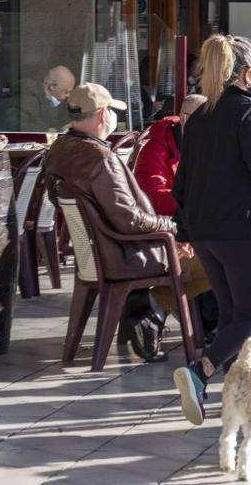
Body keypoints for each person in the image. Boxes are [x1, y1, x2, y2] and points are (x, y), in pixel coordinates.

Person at [171, 35, 251, 427]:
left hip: (204, 229)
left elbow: (182, 182)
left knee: (231, 316)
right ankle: (202, 371)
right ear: (247, 73)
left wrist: (183, 230)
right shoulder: (248, 108)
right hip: (242, 227)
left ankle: (236, 390)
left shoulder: (201, 114)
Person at [45, 83, 211, 361]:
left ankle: (151, 309)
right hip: (127, 254)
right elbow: (130, 219)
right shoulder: (101, 158)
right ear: (100, 115)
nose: (113, 117)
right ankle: (153, 305)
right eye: (110, 110)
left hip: (100, 252)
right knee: (221, 259)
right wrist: (174, 229)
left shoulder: (60, 149)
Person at [135, 94, 207, 217]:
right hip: (171, 221)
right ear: (184, 119)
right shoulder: (155, 149)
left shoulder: (206, 143)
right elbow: (152, 195)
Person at [22, 65, 75, 130]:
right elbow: (15, 126)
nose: (68, 95)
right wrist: (46, 130)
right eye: (66, 92)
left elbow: (64, 122)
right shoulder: (27, 98)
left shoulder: (57, 102)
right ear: (52, 87)